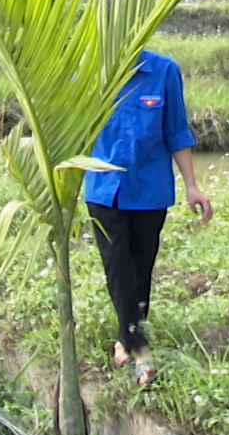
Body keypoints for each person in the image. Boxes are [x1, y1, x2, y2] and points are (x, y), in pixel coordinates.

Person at [84, 50, 212, 387]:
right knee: (118, 265)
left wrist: (192, 185)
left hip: (150, 189)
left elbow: (176, 132)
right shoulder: (88, 69)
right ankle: (140, 349)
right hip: (103, 188)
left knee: (141, 267)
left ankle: (122, 341)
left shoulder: (164, 71)